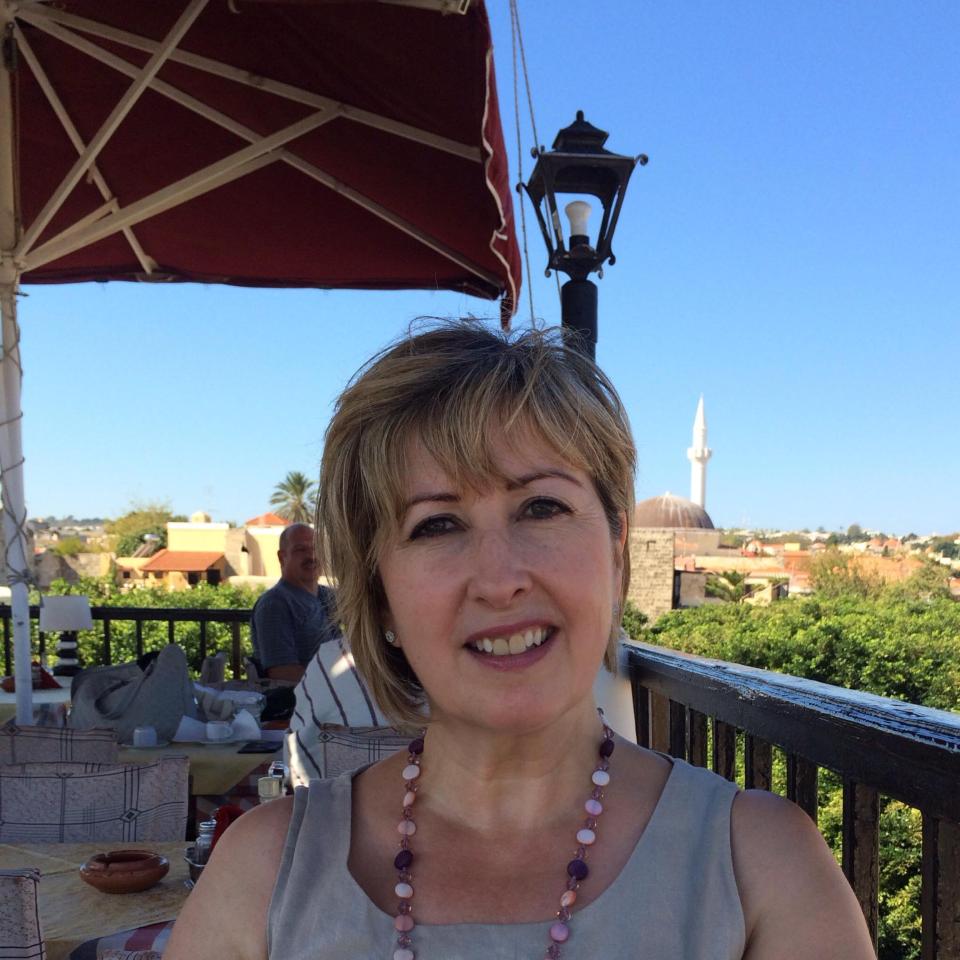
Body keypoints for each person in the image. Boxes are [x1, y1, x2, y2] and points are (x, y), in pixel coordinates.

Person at [167, 321, 875, 960]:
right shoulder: (260, 877)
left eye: (542, 507)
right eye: (436, 525)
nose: (499, 579)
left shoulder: (762, 871)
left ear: (617, 549)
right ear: (379, 596)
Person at [250, 523, 336, 682]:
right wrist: (340, 683)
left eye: (316, 548)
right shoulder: (274, 604)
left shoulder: (329, 596)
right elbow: (283, 673)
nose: (312, 556)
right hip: (302, 702)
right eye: (301, 550)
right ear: (282, 557)